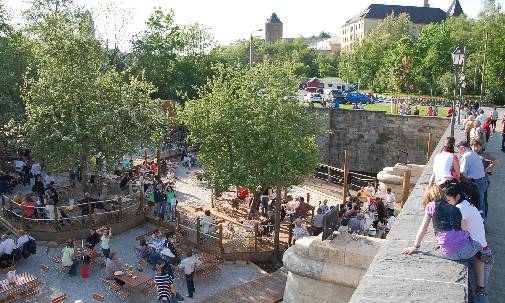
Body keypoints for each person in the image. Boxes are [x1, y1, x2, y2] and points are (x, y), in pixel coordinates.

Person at [402, 186, 489, 301]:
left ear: (429, 198)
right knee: (479, 244)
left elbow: (423, 229)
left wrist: (415, 246)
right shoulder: (455, 208)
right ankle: (480, 256)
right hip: (466, 250)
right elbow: (464, 228)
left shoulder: (431, 206)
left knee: (458, 242)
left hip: (448, 253)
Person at [456, 140, 488, 219]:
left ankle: (479, 225)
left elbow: (462, 172)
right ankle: (482, 223)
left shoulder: (466, 156)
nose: (458, 151)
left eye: (458, 149)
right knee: (482, 203)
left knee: (478, 204)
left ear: (462, 148)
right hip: (483, 181)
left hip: (476, 182)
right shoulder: (473, 153)